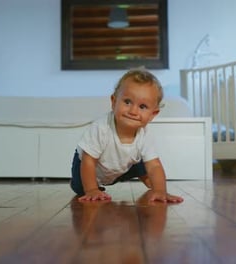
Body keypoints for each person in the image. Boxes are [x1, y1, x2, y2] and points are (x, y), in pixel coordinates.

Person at [70, 68, 184, 203]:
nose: (133, 111)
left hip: (120, 168)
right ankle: (87, 186)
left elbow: (154, 166)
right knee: (81, 188)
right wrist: (92, 190)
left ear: (153, 114)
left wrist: (161, 191)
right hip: (89, 166)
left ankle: (150, 182)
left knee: (144, 161)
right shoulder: (101, 128)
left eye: (142, 107)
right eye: (127, 102)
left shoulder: (144, 135)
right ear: (113, 102)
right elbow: (88, 160)